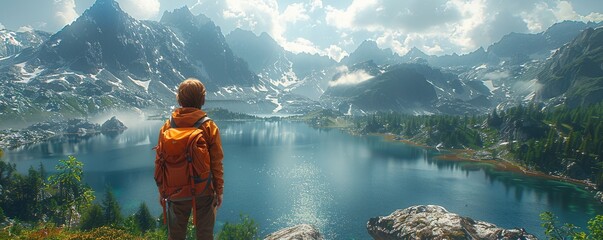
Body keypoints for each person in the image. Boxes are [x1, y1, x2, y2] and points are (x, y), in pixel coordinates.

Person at [156, 78, 224, 239]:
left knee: (176, 236)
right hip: (203, 189)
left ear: (179, 99)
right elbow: (216, 162)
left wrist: (162, 191)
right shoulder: (208, 126)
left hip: (174, 190)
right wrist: (219, 190)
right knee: (205, 234)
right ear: (202, 99)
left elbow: (160, 161)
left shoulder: (167, 126)